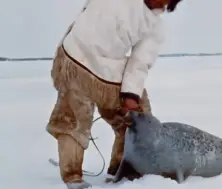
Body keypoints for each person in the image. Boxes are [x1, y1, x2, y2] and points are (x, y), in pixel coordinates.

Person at [46, 0, 183, 188]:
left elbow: (139, 62)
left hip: (109, 70)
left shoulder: (154, 27)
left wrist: (131, 94)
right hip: (75, 57)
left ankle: (121, 168)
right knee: (73, 120)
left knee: (137, 118)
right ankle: (72, 175)